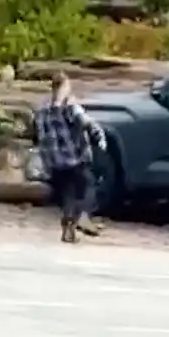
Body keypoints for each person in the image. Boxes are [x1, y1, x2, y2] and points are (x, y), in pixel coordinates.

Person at [33, 70, 107, 243]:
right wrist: (100, 137)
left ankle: (68, 230)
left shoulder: (41, 109)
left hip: (54, 161)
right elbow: (86, 122)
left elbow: (36, 134)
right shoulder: (70, 105)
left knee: (68, 193)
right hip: (74, 157)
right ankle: (83, 216)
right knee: (89, 185)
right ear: (65, 86)